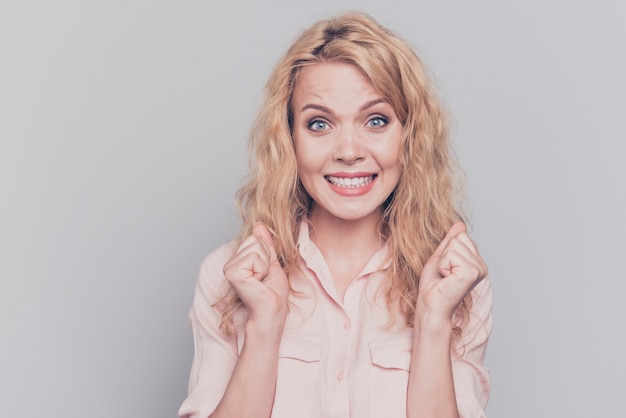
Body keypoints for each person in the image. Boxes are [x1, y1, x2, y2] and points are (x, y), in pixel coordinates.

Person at [179, 11, 493, 418]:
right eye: (320, 123)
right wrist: (265, 325)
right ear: (289, 137)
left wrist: (434, 321)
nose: (348, 150)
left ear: (410, 135)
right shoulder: (226, 276)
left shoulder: (456, 283)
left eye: (376, 120)